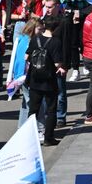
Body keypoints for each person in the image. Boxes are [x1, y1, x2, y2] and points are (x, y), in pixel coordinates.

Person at [23, 15, 64, 146]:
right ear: (56, 28)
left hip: (34, 79)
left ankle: (29, 136)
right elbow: (57, 64)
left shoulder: (35, 38)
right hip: (49, 80)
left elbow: (26, 56)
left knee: (33, 109)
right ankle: (48, 138)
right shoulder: (56, 42)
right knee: (51, 110)